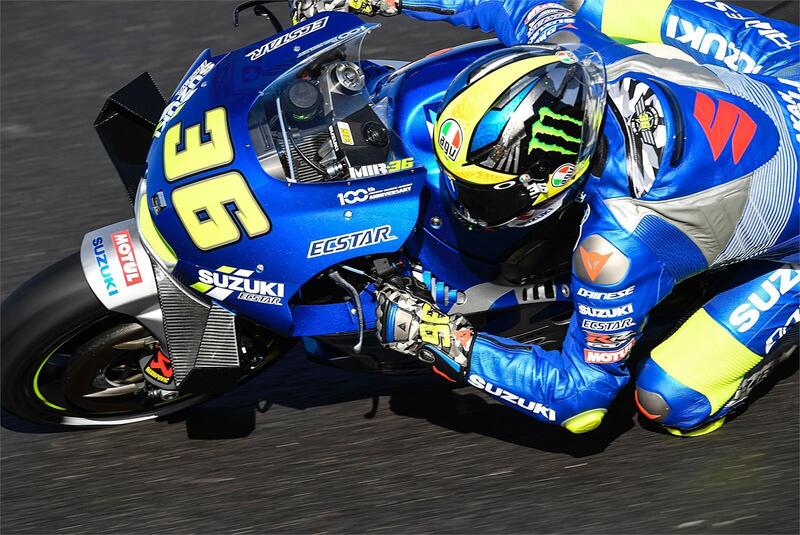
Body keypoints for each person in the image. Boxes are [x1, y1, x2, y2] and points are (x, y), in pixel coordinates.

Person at [293, 0, 800, 436]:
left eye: (486, 197)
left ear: (558, 176)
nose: (463, 201)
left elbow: (580, 399)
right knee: (597, 4)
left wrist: (437, 337)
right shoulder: (573, 53)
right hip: (784, 69)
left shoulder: (618, 249)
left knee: (670, 401)